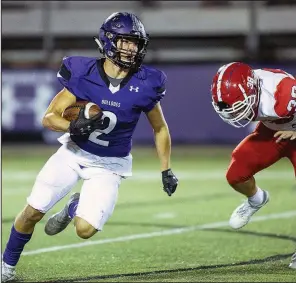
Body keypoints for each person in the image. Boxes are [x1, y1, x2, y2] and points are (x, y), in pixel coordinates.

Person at [2, 12, 178, 282]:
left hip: (109, 165)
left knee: (84, 230)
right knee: (33, 211)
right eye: (126, 41)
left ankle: (75, 207)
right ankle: (6, 267)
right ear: (109, 41)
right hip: (73, 153)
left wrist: (166, 169)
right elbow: (49, 117)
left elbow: (160, 127)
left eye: (136, 43)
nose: (131, 49)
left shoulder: (147, 83)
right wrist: (72, 127)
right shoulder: (82, 72)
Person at [211, 62, 296, 269]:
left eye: (239, 105)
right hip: (273, 132)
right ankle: (256, 199)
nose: (235, 114)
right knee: (236, 173)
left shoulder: (284, 92)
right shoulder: (244, 89)